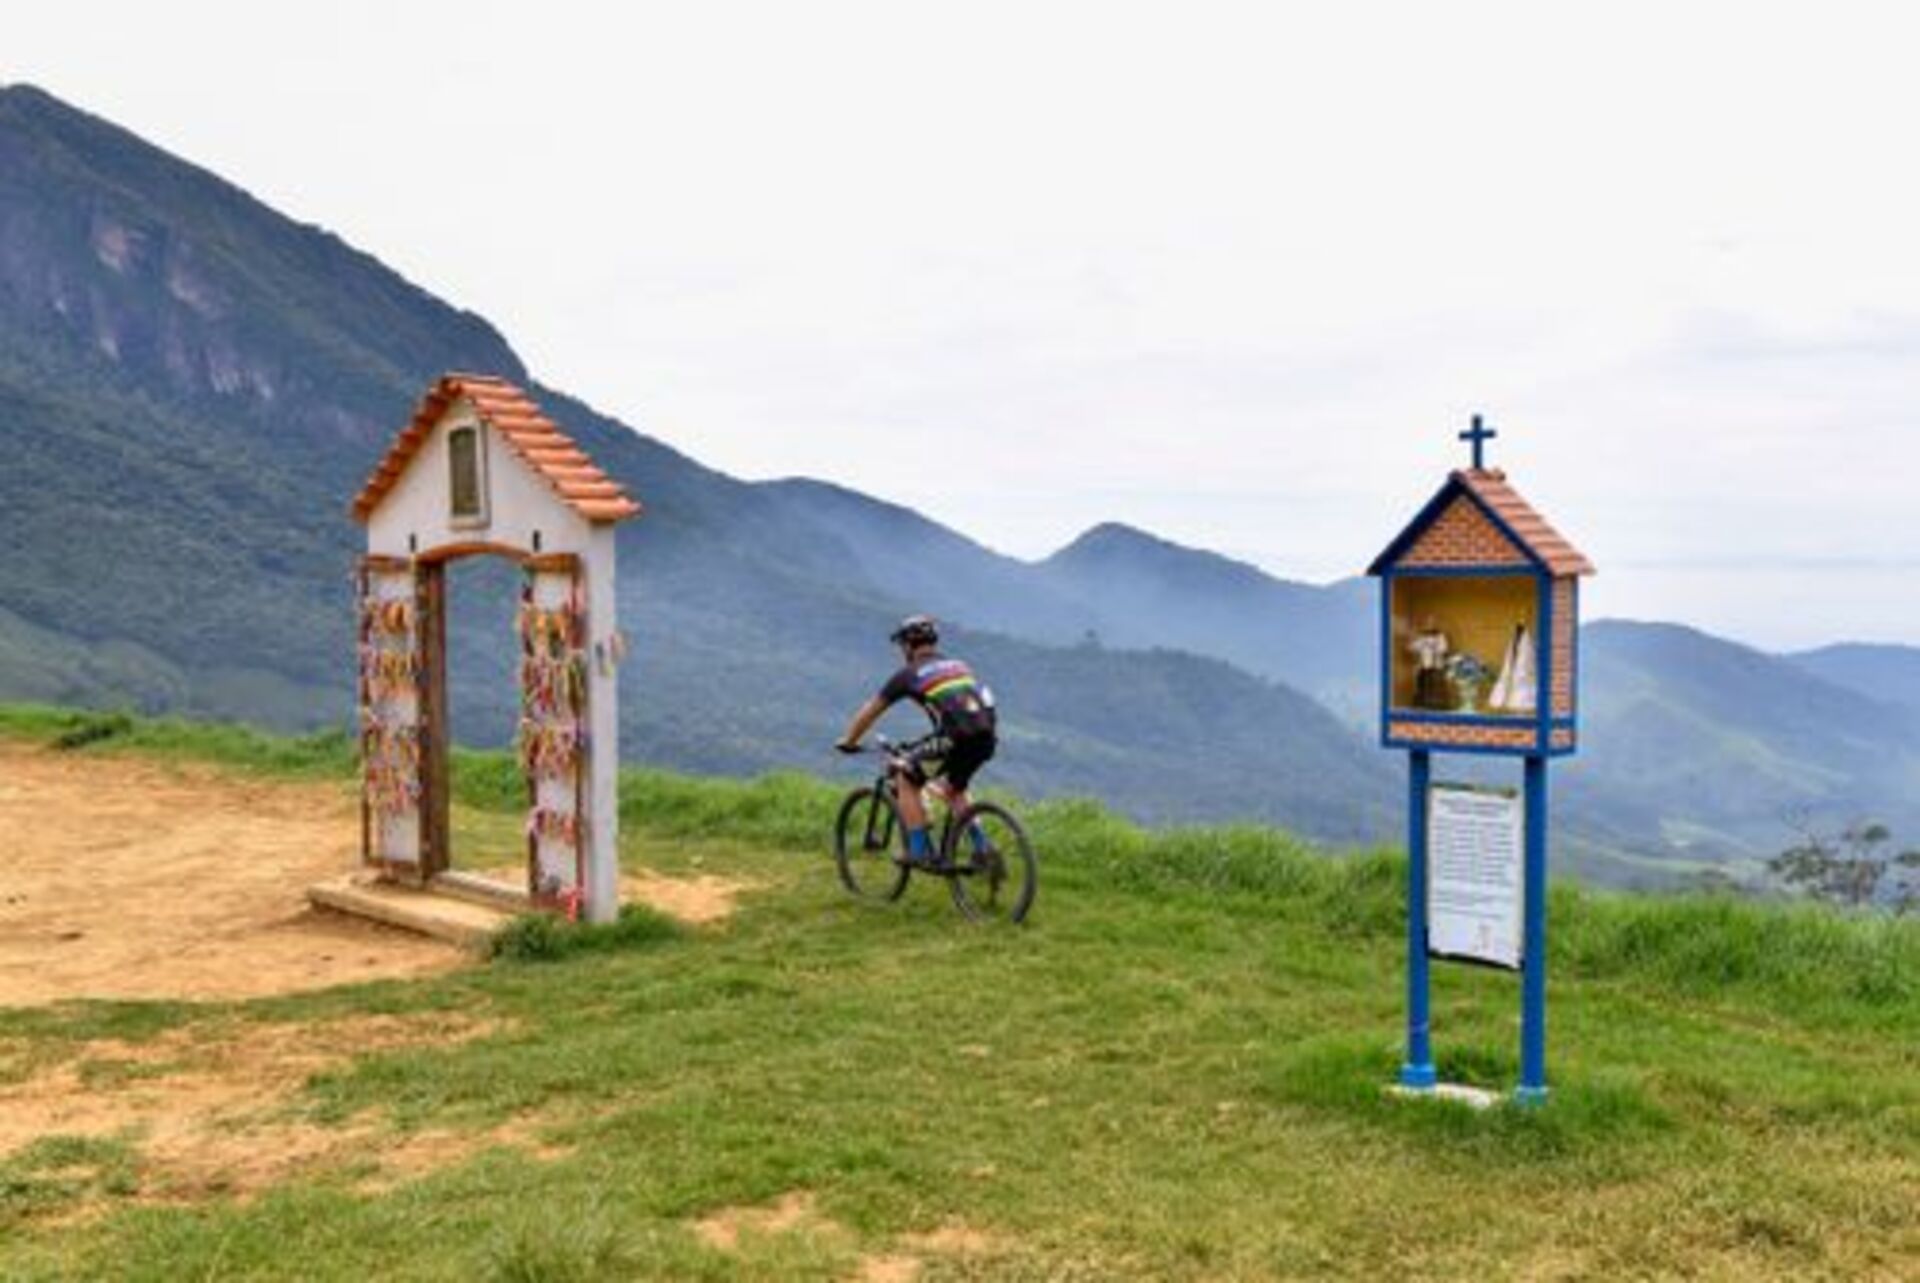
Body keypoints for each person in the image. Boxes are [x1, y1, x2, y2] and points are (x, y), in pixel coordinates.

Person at [836, 615, 998, 866]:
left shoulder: (908, 674)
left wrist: (849, 740)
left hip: (953, 737)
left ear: (909, 645)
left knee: (905, 776)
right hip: (986, 737)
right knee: (955, 789)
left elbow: (871, 710)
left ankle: (919, 849)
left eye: (902, 645)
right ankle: (982, 847)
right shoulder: (959, 666)